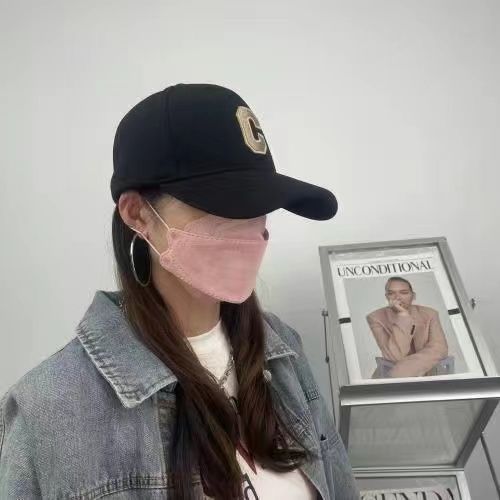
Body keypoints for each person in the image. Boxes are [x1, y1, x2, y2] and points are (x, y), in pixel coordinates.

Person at [0, 83, 360, 499]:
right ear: (138, 214)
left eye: (258, 205)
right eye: (221, 205)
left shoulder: (284, 352)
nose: (246, 229)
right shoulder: (49, 410)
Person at [366, 276, 449, 378]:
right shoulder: (375, 317)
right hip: (389, 378)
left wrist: (406, 368)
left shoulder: (430, 313)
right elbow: (394, 356)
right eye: (391, 293)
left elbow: (439, 347)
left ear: (413, 296)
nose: (397, 297)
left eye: (404, 292)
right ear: (387, 297)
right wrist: (403, 316)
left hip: (415, 373)